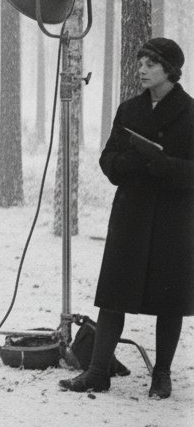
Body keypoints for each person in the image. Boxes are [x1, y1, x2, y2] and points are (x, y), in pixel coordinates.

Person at [60, 38, 193, 399]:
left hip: (172, 218)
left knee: (170, 301)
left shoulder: (190, 112)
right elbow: (108, 160)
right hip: (131, 214)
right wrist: (132, 162)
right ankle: (98, 371)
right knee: (113, 295)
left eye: (151, 63)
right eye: (141, 63)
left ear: (170, 69)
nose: (142, 69)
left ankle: (161, 375)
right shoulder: (129, 109)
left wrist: (166, 166)